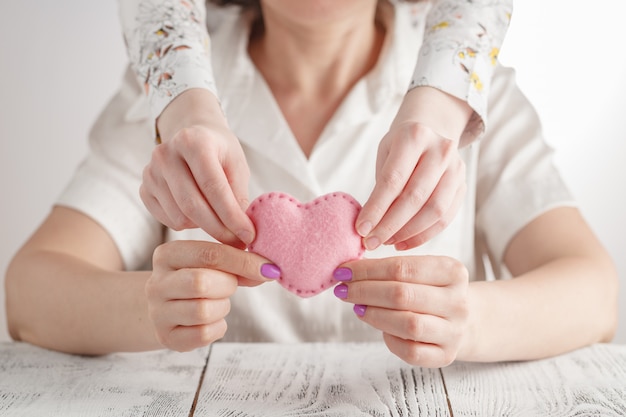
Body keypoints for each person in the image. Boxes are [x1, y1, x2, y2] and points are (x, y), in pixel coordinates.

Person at [5, 0, 617, 367]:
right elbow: (31, 294)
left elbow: (595, 294)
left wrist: (470, 320)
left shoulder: (485, 102)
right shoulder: (159, 106)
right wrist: (147, 307)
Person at [119, 0, 513, 251]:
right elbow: (57, 277)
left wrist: (471, 321)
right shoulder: (138, 105)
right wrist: (185, 109)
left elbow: (574, 275)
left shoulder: (500, 100)